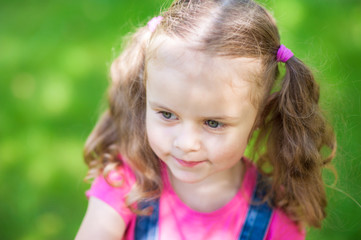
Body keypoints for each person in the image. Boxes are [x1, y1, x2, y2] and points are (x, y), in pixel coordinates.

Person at [76, 0, 336, 239]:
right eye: (167, 115)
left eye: (213, 123)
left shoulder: (275, 219)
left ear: (259, 117)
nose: (187, 143)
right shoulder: (127, 181)